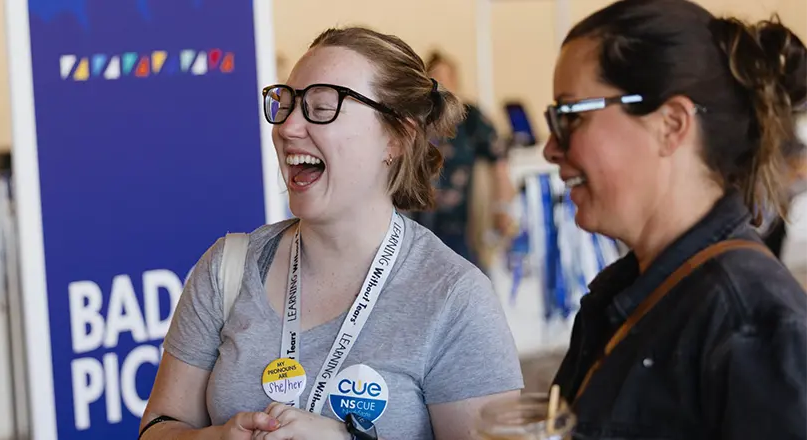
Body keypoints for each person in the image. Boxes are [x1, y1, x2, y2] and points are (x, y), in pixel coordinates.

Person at [139, 27, 524, 440]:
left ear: (398, 136)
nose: (287, 128)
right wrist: (215, 438)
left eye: (322, 108)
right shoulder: (227, 269)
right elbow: (159, 426)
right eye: (285, 106)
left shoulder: (454, 299)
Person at [543, 0, 807, 438]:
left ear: (671, 124)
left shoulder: (751, 325)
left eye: (569, 116)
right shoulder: (628, 295)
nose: (551, 147)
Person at [419, 51, 517, 270]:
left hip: (463, 225)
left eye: (447, 77)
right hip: (422, 221)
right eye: (435, 77)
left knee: (467, 278)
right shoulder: (418, 119)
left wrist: (502, 207)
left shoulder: (470, 117)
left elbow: (499, 162)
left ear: (455, 81)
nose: (442, 84)